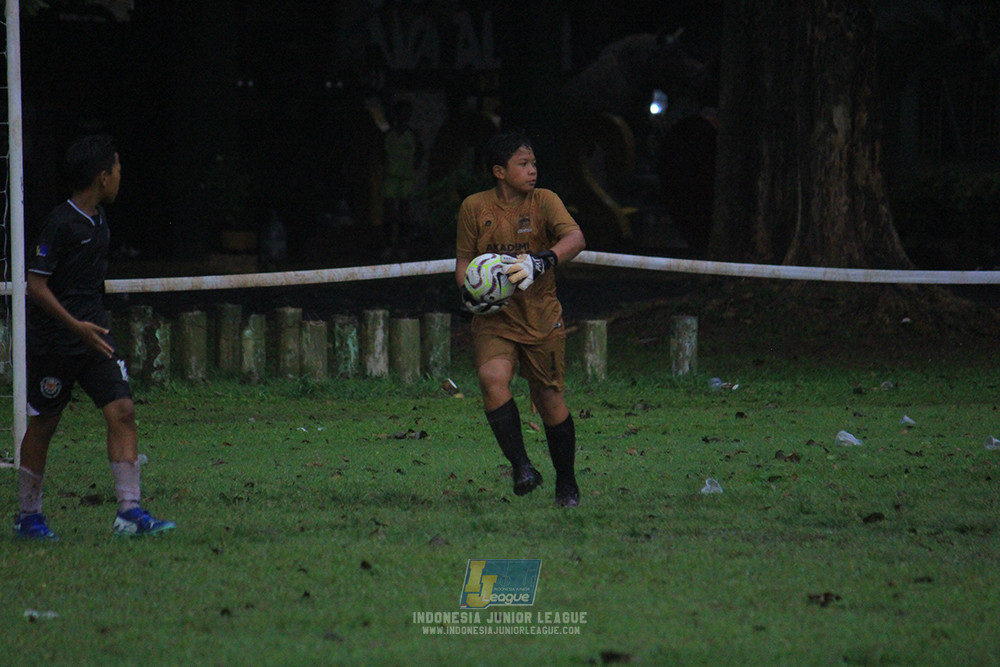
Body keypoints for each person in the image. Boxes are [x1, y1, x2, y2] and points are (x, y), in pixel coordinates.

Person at [13, 134, 175, 540]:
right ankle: (28, 516)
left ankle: (129, 512)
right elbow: (36, 286)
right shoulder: (59, 223)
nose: (121, 177)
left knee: (122, 410)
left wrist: (90, 326)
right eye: (117, 170)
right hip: (57, 341)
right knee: (43, 423)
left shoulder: (100, 219)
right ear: (103, 177)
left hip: (95, 337)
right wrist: (75, 325)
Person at [455, 130, 587, 507]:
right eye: (523, 164)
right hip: (496, 319)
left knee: (548, 399)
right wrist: (469, 292)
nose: (532, 170)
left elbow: (576, 239)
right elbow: (464, 261)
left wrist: (542, 260)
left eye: (534, 164)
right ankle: (522, 467)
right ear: (499, 171)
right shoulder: (474, 207)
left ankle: (566, 483)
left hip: (540, 315)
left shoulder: (545, 200)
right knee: (491, 378)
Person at [381, 99, 420, 259]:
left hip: (406, 178)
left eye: (407, 113)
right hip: (390, 178)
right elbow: (382, 154)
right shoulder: (388, 135)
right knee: (389, 212)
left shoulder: (412, 135)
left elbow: (419, 154)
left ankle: (403, 245)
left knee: (404, 212)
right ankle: (388, 244)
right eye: (401, 113)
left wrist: (413, 169)